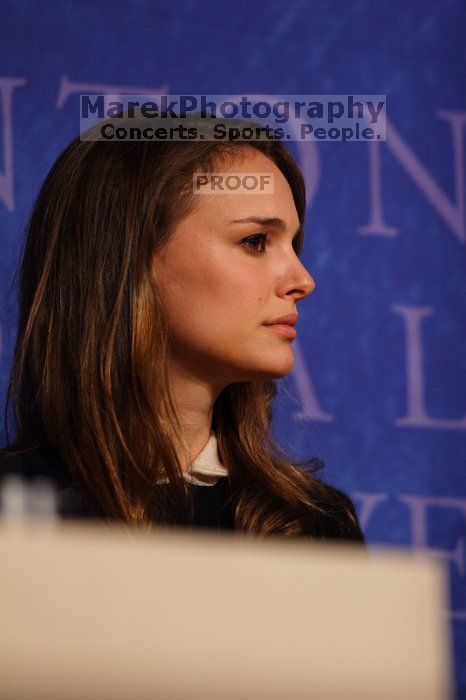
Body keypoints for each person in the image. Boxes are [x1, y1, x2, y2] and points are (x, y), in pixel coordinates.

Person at [0, 115, 365, 545]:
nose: (303, 280)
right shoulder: (14, 505)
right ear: (130, 258)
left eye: (293, 246)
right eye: (256, 242)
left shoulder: (317, 527)